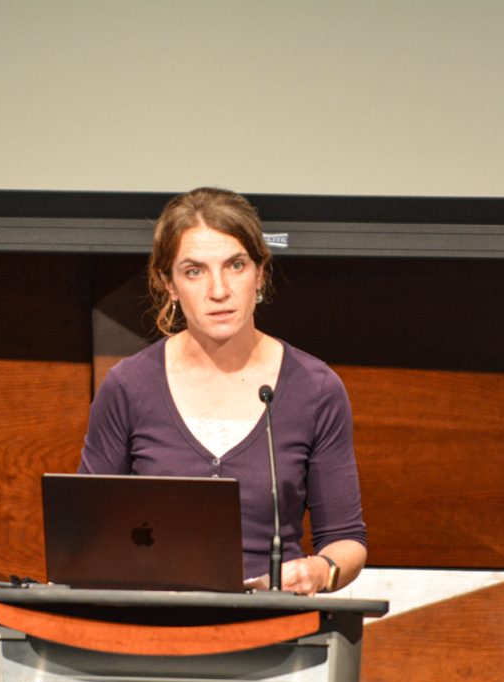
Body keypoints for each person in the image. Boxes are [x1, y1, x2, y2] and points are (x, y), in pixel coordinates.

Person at [78, 187, 366, 594]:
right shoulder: (129, 386)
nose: (219, 291)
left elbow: (346, 538)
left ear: (260, 273)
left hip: (273, 627)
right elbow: (87, 530)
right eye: (194, 271)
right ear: (169, 284)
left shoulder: (315, 389)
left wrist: (320, 571)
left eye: (235, 265)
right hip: (152, 625)